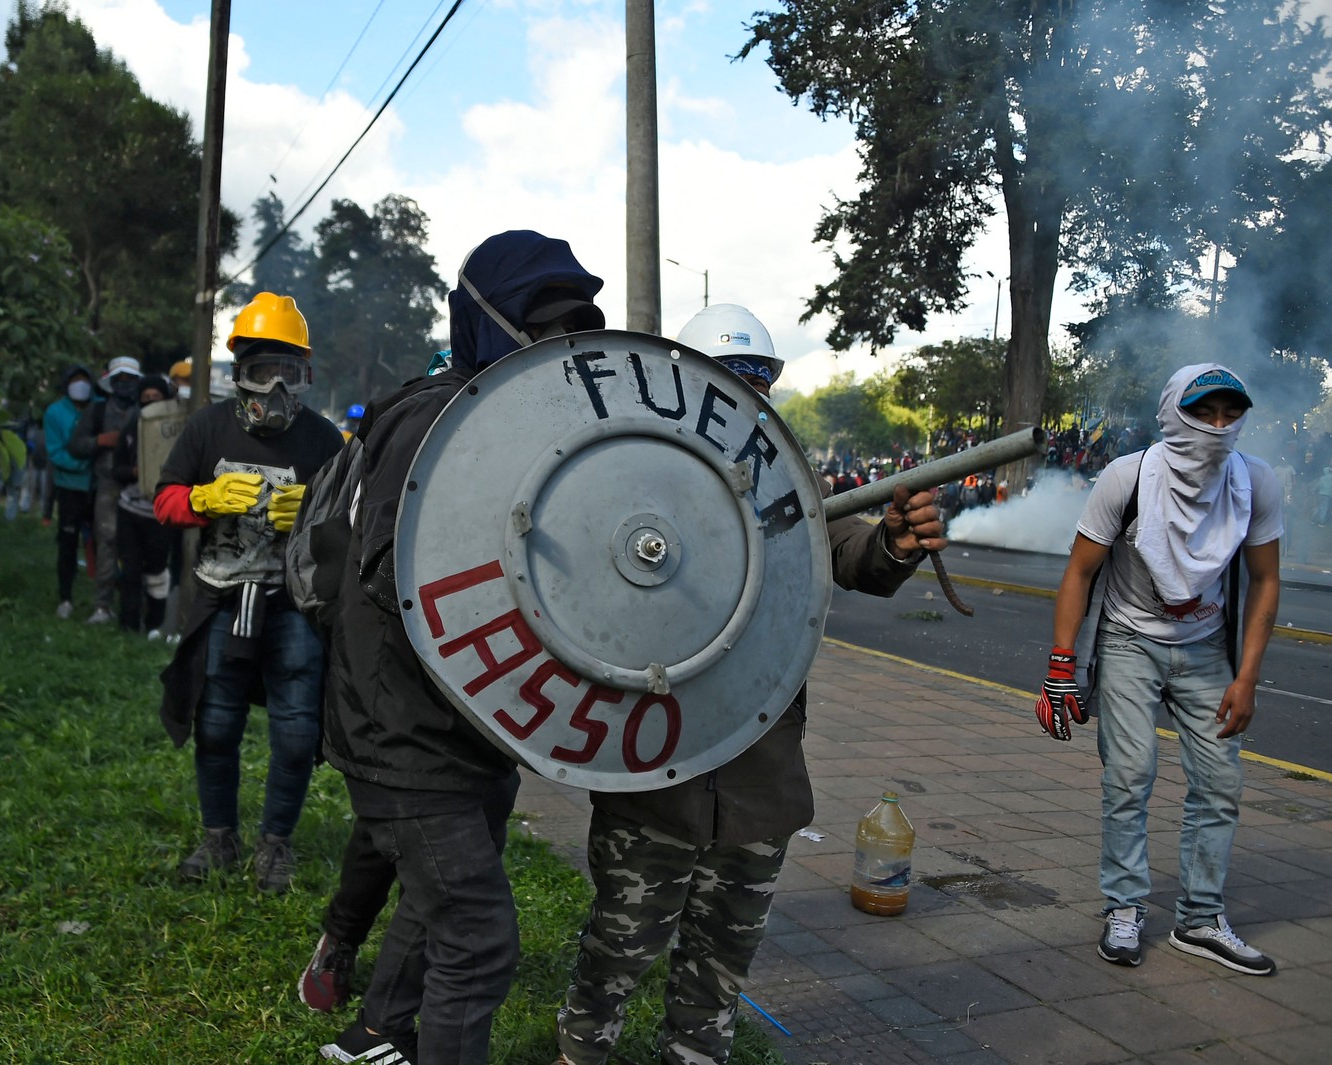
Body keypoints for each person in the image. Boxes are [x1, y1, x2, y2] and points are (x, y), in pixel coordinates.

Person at [552, 304, 947, 1065]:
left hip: (760, 781)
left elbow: (850, 551)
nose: (743, 392)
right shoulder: (634, 475)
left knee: (719, 971)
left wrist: (895, 543)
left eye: (757, 378)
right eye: (727, 378)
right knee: (618, 951)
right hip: (654, 771)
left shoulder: (787, 480)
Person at [316, 231, 605, 1065]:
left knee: (439, 894)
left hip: (469, 729)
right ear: (487, 326)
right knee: (478, 938)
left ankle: (372, 1036)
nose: (560, 348)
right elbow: (407, 591)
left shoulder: (508, 422)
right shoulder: (435, 426)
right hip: (405, 736)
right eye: (541, 326)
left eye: (575, 326)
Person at [1037, 364, 1282, 976]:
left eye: (1230, 414)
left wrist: (1246, 676)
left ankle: (1200, 919)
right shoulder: (1129, 477)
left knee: (1220, 783)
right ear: (1174, 412)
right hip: (1127, 640)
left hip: (1206, 649)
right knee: (1129, 775)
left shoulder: (1254, 483)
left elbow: (1266, 580)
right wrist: (1061, 665)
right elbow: (1080, 572)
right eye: (1204, 413)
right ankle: (1124, 907)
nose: (1218, 427)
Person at [154, 293, 344, 894]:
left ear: (305, 376)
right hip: (220, 597)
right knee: (215, 722)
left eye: (291, 373)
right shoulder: (207, 427)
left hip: (291, 603)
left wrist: (315, 513)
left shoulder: (323, 440)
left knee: (295, 728)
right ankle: (218, 839)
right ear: (241, 372)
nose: (278, 388)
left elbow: (352, 524)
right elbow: (163, 500)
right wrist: (202, 500)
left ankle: (276, 846)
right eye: (266, 372)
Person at [71, 354, 143, 624]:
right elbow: (76, 446)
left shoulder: (145, 410)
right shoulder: (97, 411)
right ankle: (102, 605)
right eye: (120, 379)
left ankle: (137, 606)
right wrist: (100, 440)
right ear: (111, 382)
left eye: (130, 379)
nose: (125, 384)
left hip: (141, 486)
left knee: (139, 547)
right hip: (108, 486)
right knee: (107, 544)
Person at [112, 375, 180, 635]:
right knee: (129, 570)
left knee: (156, 570)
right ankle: (128, 624)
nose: (151, 402)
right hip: (130, 510)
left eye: (156, 397)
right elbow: (116, 469)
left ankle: (155, 623)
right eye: (146, 398)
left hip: (160, 513)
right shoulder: (132, 428)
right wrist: (134, 471)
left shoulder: (174, 430)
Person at [44, 365, 98, 619]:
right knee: (67, 543)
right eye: (74, 380)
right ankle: (65, 597)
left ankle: (103, 600)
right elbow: (55, 452)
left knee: (102, 543)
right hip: (69, 488)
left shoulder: (100, 405)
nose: (80, 385)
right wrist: (83, 463)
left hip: (98, 487)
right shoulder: (54, 412)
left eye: (83, 380)